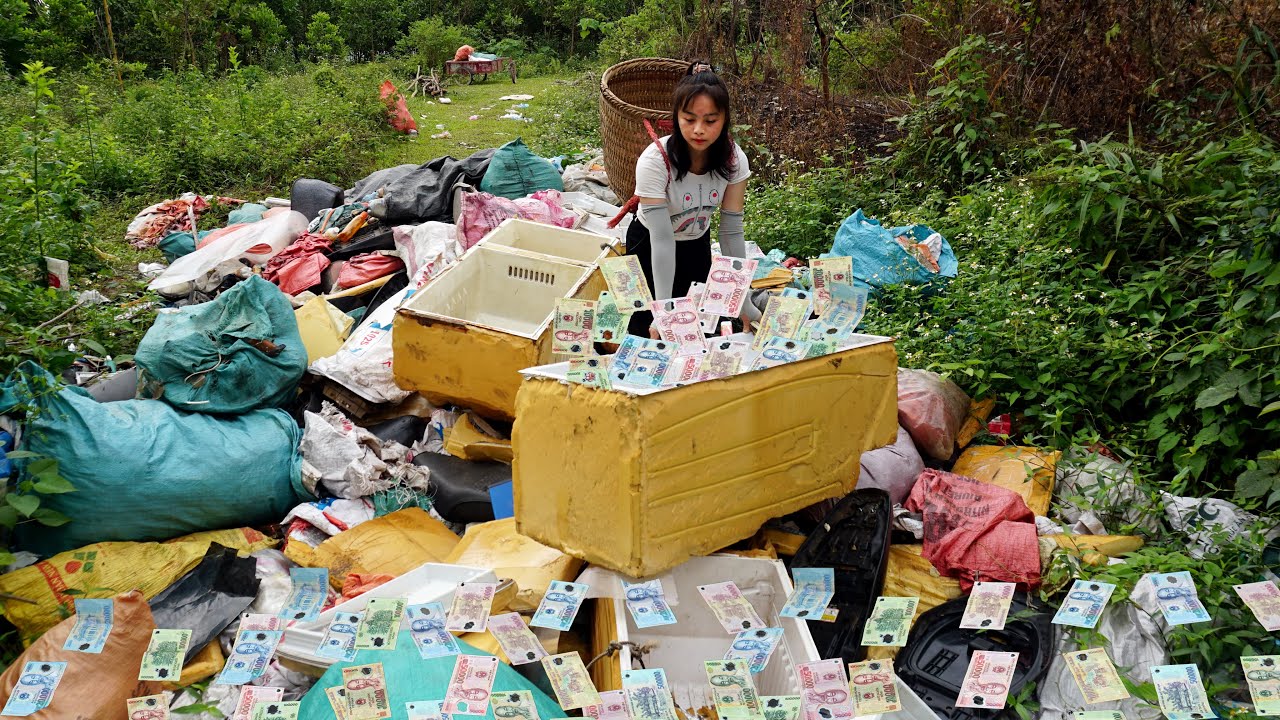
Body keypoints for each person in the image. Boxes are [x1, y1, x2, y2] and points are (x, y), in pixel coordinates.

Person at [626, 59, 760, 338]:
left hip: (696, 242)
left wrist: (744, 300)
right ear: (676, 117)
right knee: (647, 331)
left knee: (698, 330)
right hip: (649, 245)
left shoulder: (734, 159)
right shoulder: (655, 161)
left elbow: (731, 232)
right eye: (689, 119)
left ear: (724, 121)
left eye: (710, 121)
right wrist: (662, 312)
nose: (699, 129)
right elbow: (661, 241)